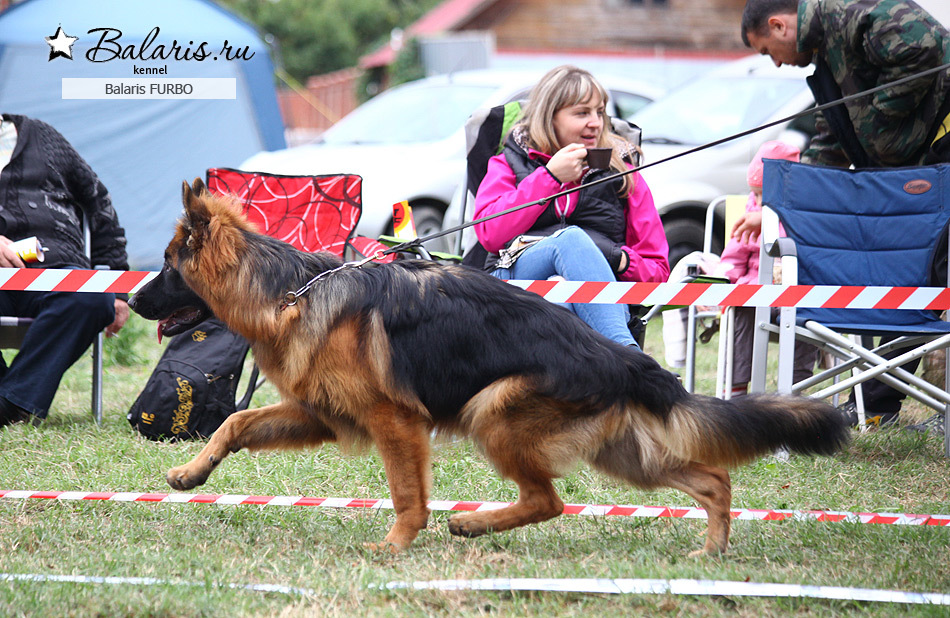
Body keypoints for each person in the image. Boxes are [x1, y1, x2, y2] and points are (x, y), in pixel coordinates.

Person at [740, 0, 950, 433]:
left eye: (767, 51)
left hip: (940, 160)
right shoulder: (825, 60)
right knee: (904, 283)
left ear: (779, 25)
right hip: (916, 179)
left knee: (932, 281)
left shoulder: (849, 13)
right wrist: (783, 208)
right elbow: (831, 141)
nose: (776, 64)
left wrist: (877, 121)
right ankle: (877, 405)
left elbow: (925, 46)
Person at [473, 65, 670, 348]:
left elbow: (658, 271)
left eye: (600, 112)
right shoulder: (508, 163)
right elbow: (490, 234)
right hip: (514, 285)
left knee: (561, 303)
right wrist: (549, 178)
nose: (596, 123)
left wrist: (616, 259)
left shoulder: (624, 175)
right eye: (582, 113)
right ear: (549, 117)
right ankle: (632, 360)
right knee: (570, 239)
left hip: (592, 302)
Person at [0, 113, 129, 429]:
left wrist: (119, 286)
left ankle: (12, 403)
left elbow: (99, 205)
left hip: (54, 269)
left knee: (91, 298)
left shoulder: (42, 137)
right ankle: (13, 402)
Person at [719, 140, 818, 397]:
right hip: (756, 290)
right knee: (741, 304)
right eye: (756, 195)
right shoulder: (751, 211)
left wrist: (768, 219)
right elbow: (735, 253)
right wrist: (726, 279)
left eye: (766, 195)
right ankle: (737, 388)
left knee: (807, 316)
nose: (760, 201)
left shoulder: (806, 209)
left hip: (797, 291)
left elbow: (805, 240)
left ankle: (796, 390)